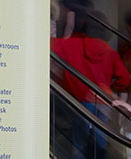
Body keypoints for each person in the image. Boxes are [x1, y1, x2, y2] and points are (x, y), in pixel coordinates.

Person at [52, 12, 130, 158]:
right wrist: (115, 88)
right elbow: (124, 79)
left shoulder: (73, 45)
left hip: (80, 102)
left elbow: (51, 46)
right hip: (103, 102)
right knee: (100, 141)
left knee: (78, 142)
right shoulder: (111, 53)